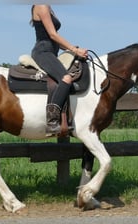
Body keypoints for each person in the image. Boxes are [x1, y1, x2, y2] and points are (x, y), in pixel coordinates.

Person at [30, 4, 88, 135]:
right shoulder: (41, 5)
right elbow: (53, 35)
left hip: (52, 52)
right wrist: (74, 49)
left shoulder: (48, 7)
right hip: (43, 52)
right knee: (66, 78)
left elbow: (56, 39)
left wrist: (73, 49)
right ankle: (52, 122)